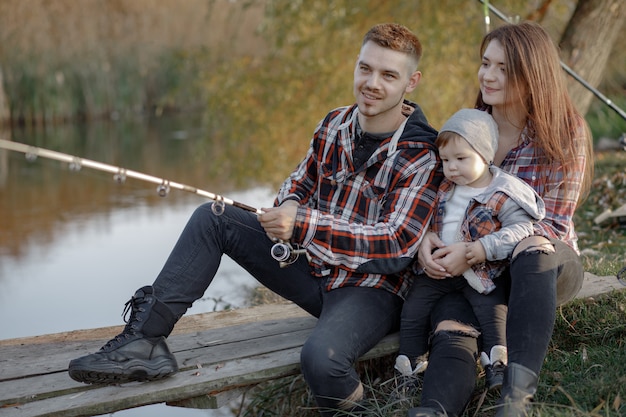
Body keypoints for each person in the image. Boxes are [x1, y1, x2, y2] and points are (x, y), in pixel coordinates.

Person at [68, 23, 444, 417]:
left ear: (411, 82)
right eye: (365, 69)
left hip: (370, 290)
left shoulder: (421, 153)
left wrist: (304, 224)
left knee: (321, 360)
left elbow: (396, 244)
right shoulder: (335, 124)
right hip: (312, 269)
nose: (372, 83)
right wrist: (290, 208)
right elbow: (296, 186)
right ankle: (144, 343)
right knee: (214, 217)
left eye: (388, 75)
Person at [406, 21, 593, 417]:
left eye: (503, 68)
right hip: (479, 273)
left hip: (544, 267)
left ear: (532, 74)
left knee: (531, 248)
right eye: (485, 63)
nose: (488, 75)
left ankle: (516, 400)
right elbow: (444, 193)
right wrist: (427, 237)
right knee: (452, 324)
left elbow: (552, 227)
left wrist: (475, 251)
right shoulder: (473, 125)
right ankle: (432, 410)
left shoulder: (565, 132)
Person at [395, 108, 545, 391]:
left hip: (481, 270)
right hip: (438, 269)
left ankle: (496, 366)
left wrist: (483, 247)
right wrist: (427, 236)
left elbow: (523, 229)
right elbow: (421, 217)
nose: (451, 168)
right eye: (446, 160)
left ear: (486, 154)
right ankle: (410, 367)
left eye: (461, 159)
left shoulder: (503, 192)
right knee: (413, 311)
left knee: (493, 312)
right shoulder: (444, 187)